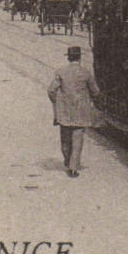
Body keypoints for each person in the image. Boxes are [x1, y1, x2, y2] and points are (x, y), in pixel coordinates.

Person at [48, 45, 100, 177]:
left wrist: (57, 102)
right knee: (78, 141)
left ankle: (67, 161)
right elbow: (95, 91)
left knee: (65, 140)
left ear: (68, 58)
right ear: (79, 58)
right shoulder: (86, 73)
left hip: (64, 112)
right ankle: (73, 168)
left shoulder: (61, 72)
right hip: (80, 112)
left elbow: (51, 90)